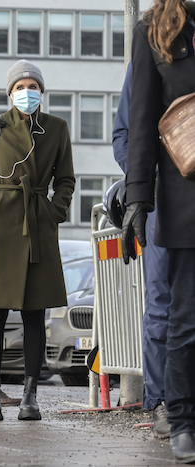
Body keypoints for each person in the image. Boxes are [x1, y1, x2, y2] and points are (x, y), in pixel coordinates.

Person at [0, 60, 75, 421]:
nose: (27, 92)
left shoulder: (57, 128)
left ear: (42, 91)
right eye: (20, 87)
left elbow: (67, 179)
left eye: (33, 86)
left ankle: (30, 396)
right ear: (10, 93)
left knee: (34, 317)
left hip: (38, 230)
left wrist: (53, 212)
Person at [121, 1, 195, 461]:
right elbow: (143, 122)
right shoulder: (151, 29)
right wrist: (137, 200)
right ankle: (183, 419)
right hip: (184, 202)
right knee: (185, 321)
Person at [112, 62, 172, 439]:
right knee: (162, 305)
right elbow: (123, 136)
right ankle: (163, 402)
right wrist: (144, 186)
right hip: (163, 202)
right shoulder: (152, 54)